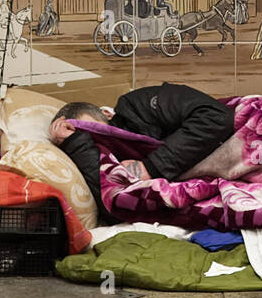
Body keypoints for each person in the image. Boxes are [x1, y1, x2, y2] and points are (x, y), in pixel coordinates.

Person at [50, 83, 235, 218]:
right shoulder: (92, 153)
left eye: (93, 129)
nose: (96, 138)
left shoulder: (136, 106)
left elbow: (217, 117)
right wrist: (77, 144)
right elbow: (113, 205)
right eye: (88, 137)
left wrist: (151, 167)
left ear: (107, 115)